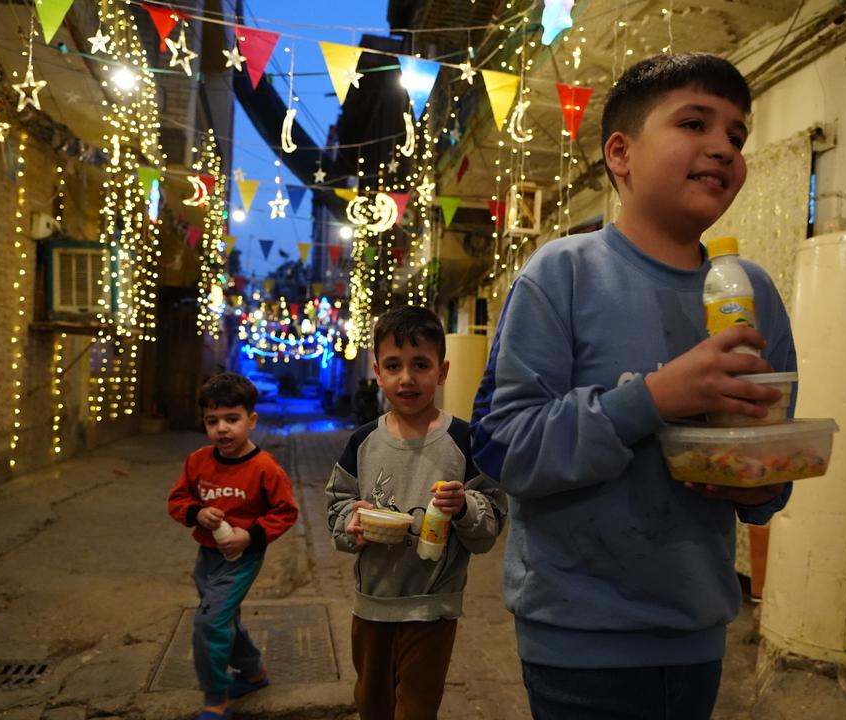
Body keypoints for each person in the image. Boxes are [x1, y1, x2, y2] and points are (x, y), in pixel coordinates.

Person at [470, 52, 797, 718]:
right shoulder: (559, 273)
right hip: (577, 637)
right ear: (621, 153)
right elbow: (504, 447)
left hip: (697, 633)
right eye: (694, 123)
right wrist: (654, 398)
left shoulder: (752, 292)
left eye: (736, 135)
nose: (722, 148)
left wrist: (763, 480)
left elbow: (774, 459)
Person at [325, 306, 506, 720]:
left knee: (418, 709)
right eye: (394, 365)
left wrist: (464, 507)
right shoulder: (362, 442)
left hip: (432, 607)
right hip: (372, 603)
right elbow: (336, 509)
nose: (407, 378)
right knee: (372, 703)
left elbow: (489, 527)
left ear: (441, 372)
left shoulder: (465, 441)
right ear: (378, 372)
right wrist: (352, 521)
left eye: (420, 365)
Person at [167, 373, 299, 720]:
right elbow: (178, 499)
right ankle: (254, 673)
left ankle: (215, 698)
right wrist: (196, 513)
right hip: (207, 556)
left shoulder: (264, 468)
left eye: (231, 419)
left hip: (243, 557)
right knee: (224, 617)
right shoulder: (198, 461)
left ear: (251, 421)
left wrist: (251, 535)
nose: (222, 429)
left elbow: (286, 512)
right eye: (213, 421)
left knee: (208, 622)